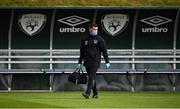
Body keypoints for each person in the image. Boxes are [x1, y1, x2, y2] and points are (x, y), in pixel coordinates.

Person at [77, 22, 110, 99]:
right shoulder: (85, 39)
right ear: (90, 29)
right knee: (92, 78)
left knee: (91, 77)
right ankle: (95, 93)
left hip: (95, 62)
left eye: (96, 29)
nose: (95, 31)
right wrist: (79, 62)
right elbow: (82, 52)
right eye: (94, 29)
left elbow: (104, 51)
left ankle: (87, 93)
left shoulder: (100, 40)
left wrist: (107, 61)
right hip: (87, 61)